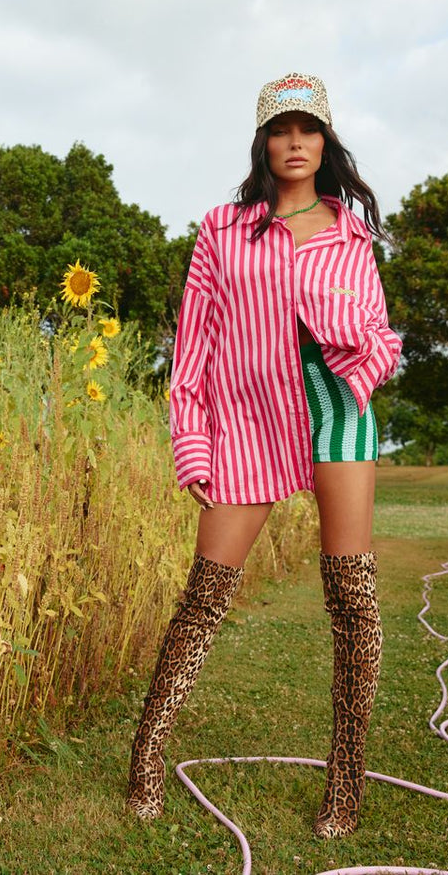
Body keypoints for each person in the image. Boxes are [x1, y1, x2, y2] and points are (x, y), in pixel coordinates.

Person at [126, 72, 402, 839]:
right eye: (281, 130)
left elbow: (381, 337)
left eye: (308, 129)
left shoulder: (351, 234)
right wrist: (193, 441)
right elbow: (193, 346)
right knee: (205, 594)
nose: (295, 143)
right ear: (263, 142)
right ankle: (145, 759)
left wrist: (345, 335)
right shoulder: (223, 230)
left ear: (326, 141)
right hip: (248, 420)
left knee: (353, 601)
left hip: (337, 411)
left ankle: (345, 784)